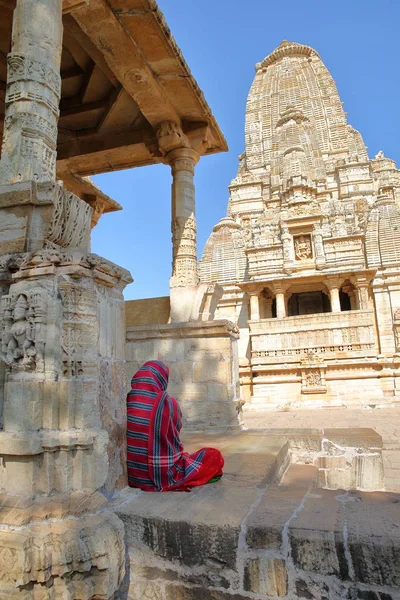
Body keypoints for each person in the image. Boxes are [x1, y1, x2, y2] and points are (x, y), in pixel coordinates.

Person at [126, 360, 224, 491]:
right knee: (213, 455)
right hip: (164, 475)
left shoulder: (127, 401)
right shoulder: (168, 404)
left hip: (134, 477)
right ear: (162, 379)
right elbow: (175, 432)